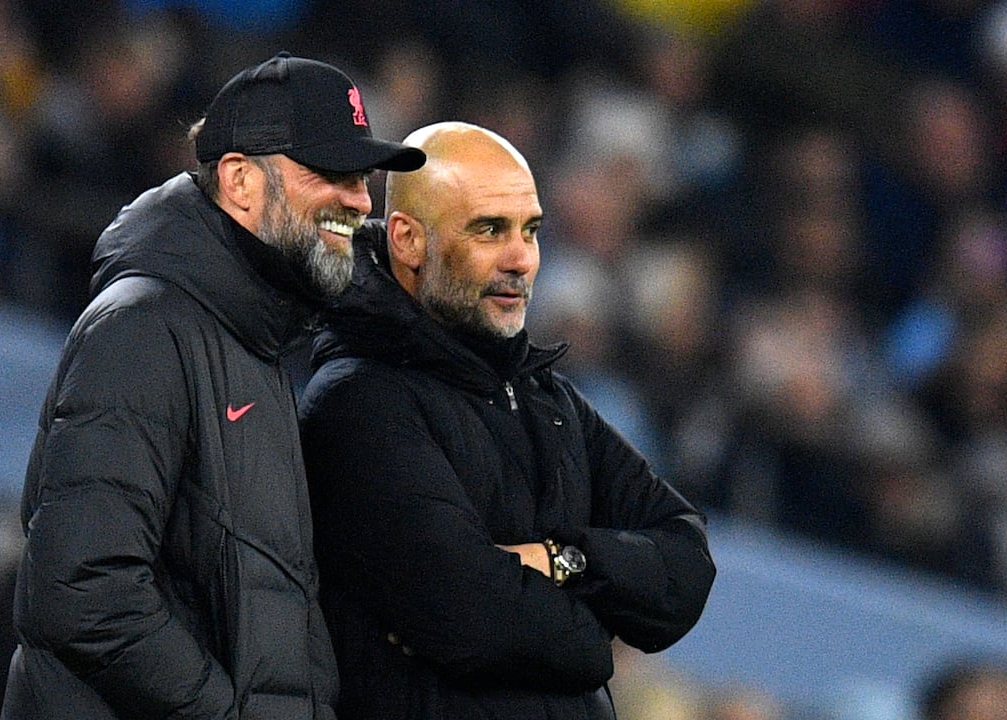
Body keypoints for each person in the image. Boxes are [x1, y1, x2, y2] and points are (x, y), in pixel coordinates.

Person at [0, 52, 425, 720]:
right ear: (240, 181)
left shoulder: (256, 340)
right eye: (331, 172)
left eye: (363, 178)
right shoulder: (144, 325)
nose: (359, 200)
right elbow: (83, 593)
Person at [298, 121, 715, 720]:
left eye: (532, 230)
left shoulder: (551, 401)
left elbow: (687, 562)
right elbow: (468, 616)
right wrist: (597, 638)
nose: (521, 260)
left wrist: (561, 557)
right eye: (490, 230)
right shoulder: (360, 401)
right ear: (409, 241)